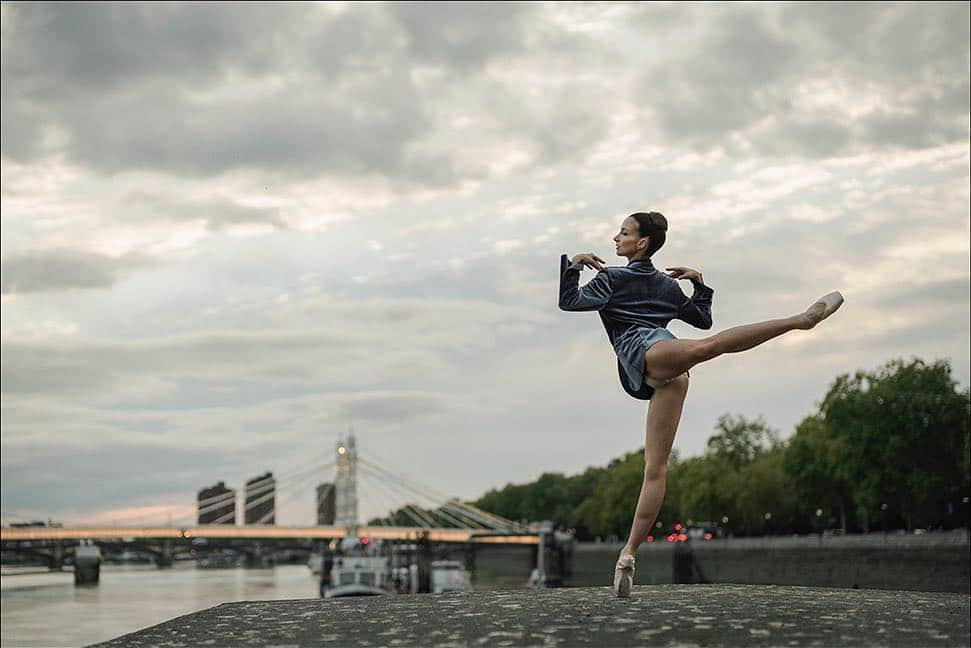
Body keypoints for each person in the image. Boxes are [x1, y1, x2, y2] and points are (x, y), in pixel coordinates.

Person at [558, 211, 843, 598]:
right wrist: (700, 285)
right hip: (667, 364)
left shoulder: (610, 278)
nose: (615, 238)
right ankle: (627, 555)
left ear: (641, 243)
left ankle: (801, 320)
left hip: (646, 354)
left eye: (623, 233)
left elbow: (570, 301)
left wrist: (574, 264)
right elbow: (703, 317)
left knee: (658, 465)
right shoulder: (665, 286)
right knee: (656, 464)